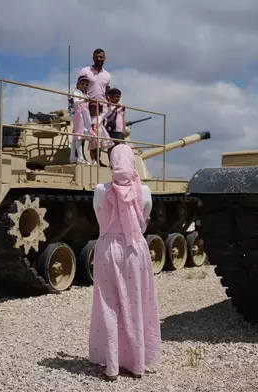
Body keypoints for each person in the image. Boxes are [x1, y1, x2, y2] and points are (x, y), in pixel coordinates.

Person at [88, 144, 161, 382]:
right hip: (134, 249)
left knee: (109, 305)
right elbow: (144, 221)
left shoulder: (100, 190)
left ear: (111, 164)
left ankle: (112, 367)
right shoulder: (145, 191)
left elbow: (100, 217)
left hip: (107, 248)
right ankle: (137, 364)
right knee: (137, 303)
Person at [79, 48, 111, 114]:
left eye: (101, 57)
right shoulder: (85, 71)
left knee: (100, 124)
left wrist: (110, 103)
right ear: (93, 58)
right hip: (88, 104)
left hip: (102, 107)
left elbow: (107, 92)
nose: (99, 59)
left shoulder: (107, 75)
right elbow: (79, 87)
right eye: (97, 57)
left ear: (104, 58)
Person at [70, 75, 92, 164]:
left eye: (87, 84)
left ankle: (72, 156)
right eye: (82, 83)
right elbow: (75, 101)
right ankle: (80, 157)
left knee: (76, 136)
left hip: (84, 115)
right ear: (78, 85)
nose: (84, 86)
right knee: (79, 136)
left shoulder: (85, 94)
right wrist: (84, 100)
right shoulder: (77, 92)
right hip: (79, 115)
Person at [104, 88, 125, 153]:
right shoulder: (107, 105)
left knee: (120, 147)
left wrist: (123, 129)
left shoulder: (121, 107)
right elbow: (107, 117)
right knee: (111, 147)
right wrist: (115, 108)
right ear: (110, 97)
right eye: (117, 97)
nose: (118, 98)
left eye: (119, 97)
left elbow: (123, 118)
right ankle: (111, 162)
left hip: (119, 130)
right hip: (111, 129)